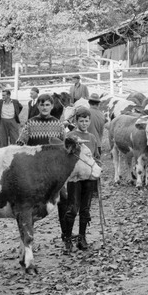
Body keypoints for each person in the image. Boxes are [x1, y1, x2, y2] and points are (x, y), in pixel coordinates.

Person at [16, 94, 67, 250]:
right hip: (34, 172)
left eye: (47, 105)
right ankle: (26, 242)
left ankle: (67, 236)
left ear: (52, 106)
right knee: (28, 206)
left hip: (54, 172)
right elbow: (20, 143)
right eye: (42, 104)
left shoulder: (58, 125)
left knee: (64, 199)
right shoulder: (31, 124)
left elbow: (65, 147)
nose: (44, 107)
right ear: (37, 106)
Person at [62, 109, 100, 254]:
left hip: (89, 178)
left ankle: (82, 238)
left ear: (89, 121)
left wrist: (99, 166)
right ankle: (67, 239)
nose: (84, 124)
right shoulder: (71, 136)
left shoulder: (92, 137)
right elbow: (65, 156)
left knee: (85, 209)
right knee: (72, 208)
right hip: (75, 178)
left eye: (86, 121)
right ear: (76, 121)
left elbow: (96, 156)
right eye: (81, 121)